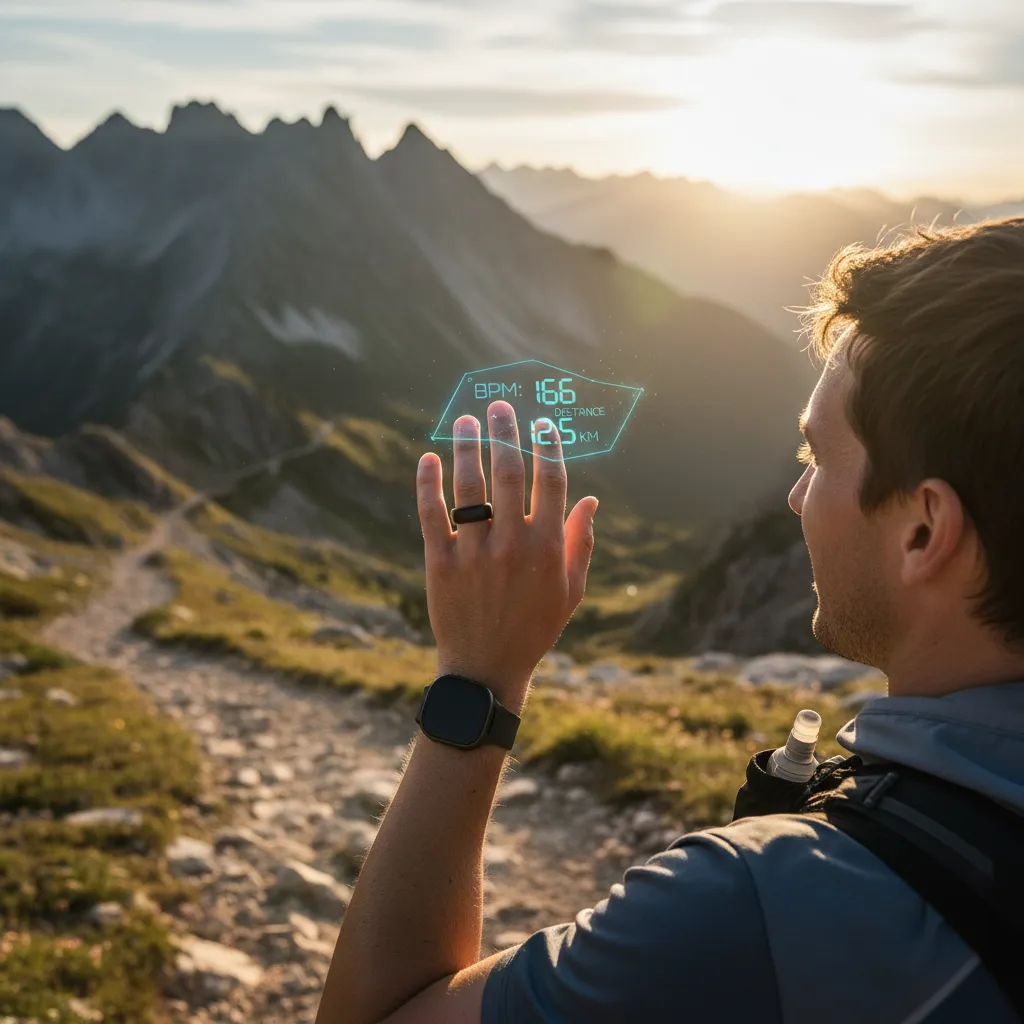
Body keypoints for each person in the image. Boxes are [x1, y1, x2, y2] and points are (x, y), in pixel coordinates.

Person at [314, 217, 1024, 1023]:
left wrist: (478, 677)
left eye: (818, 457)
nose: (797, 497)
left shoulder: (746, 906)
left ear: (924, 531)